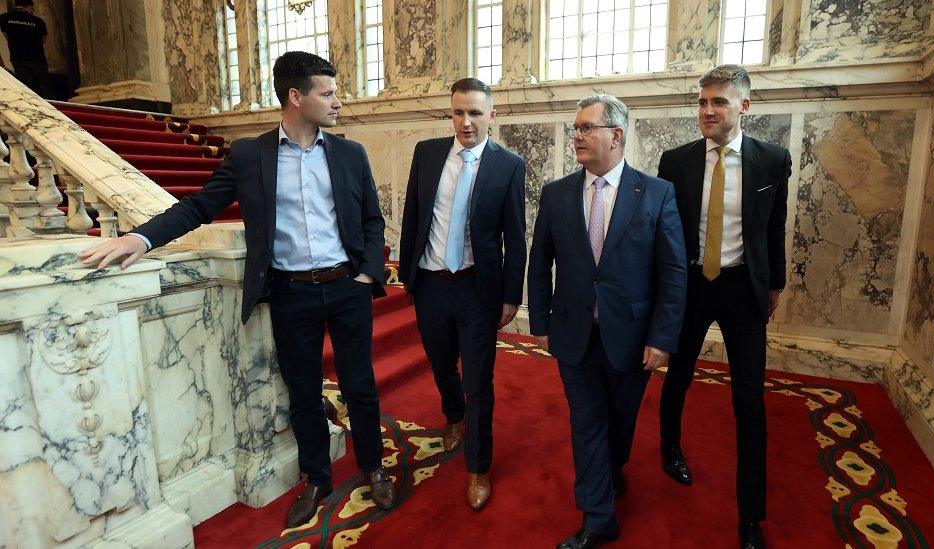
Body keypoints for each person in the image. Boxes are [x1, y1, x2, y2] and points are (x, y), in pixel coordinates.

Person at [78, 51, 397, 528]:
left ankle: (373, 466)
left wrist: (367, 275)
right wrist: (139, 238)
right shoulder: (251, 155)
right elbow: (201, 205)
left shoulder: (349, 153)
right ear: (296, 97)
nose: (338, 103)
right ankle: (316, 477)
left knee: (360, 385)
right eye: (327, 93)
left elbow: (372, 219)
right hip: (291, 294)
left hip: (347, 288)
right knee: (304, 391)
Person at [527, 94, 686, 548]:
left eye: (586, 128)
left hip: (634, 337)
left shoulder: (656, 193)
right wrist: (540, 321)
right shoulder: (556, 194)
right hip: (574, 333)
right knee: (586, 422)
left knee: (620, 420)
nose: (576, 136)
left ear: (616, 135)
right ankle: (598, 517)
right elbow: (540, 263)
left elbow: (673, 271)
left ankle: (613, 471)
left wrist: (662, 337)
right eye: (575, 129)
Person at [656, 64, 791, 549]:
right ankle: (669, 446)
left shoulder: (773, 160)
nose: (707, 110)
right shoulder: (676, 161)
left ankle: (750, 516)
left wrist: (773, 284)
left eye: (719, 102)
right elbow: (666, 234)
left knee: (749, 402)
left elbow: (773, 227)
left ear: (744, 107)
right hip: (690, 287)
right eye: (702, 101)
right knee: (679, 375)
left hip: (742, 292)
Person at [398, 77, 526, 510]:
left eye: (475, 113)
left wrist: (511, 295)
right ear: (450, 113)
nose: (466, 121)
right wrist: (407, 274)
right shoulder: (428, 153)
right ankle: (453, 415)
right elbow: (412, 214)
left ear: (492, 115)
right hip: (431, 281)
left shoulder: (508, 164)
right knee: (438, 361)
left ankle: (477, 466)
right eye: (458, 112)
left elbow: (515, 235)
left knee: (479, 379)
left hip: (477, 287)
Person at [0, 0, 54, 99]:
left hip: (18, 58)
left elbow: (6, 35)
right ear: (30, 6)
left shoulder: (4, 18)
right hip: (38, 60)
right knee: (44, 90)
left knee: (28, 89)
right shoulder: (38, 21)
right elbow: (43, 40)